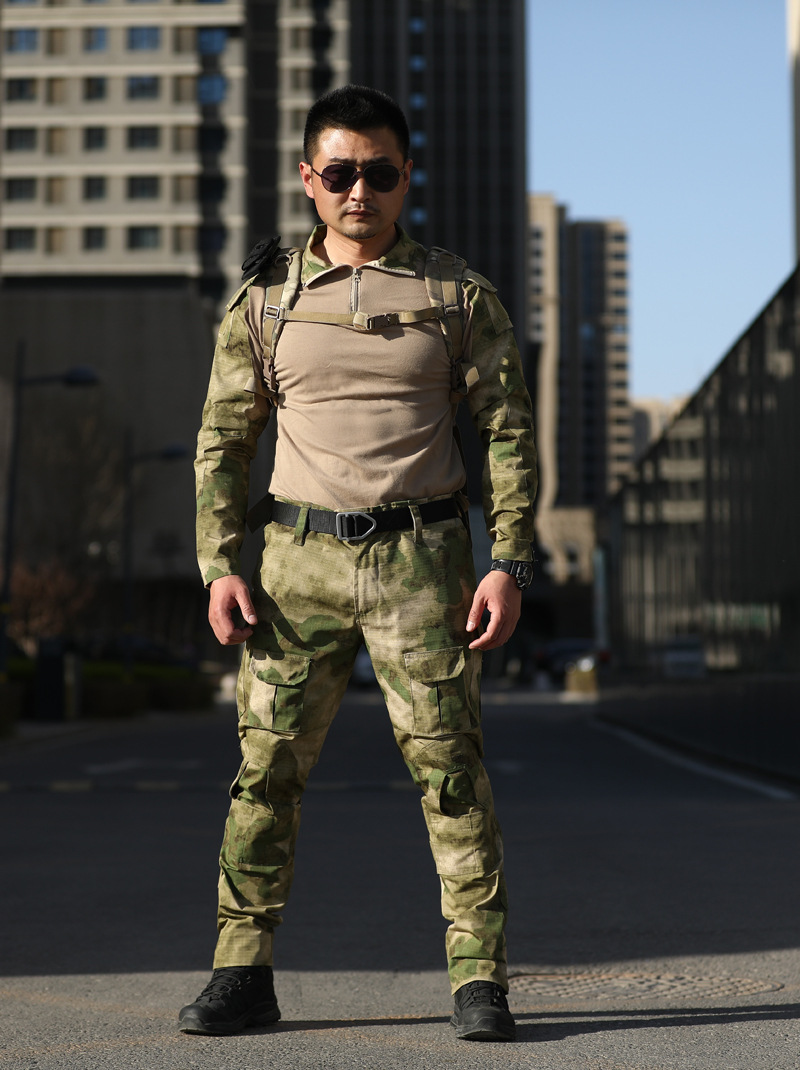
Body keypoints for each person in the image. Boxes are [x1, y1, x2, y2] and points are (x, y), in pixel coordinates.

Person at [180, 84, 537, 1043]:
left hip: (426, 562)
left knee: (450, 772)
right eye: (340, 173)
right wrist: (219, 565)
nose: (360, 191)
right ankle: (241, 974)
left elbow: (507, 431)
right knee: (265, 775)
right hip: (295, 567)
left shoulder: (457, 296)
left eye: (379, 172)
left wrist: (508, 561)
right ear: (309, 179)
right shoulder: (265, 303)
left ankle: (479, 979)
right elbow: (223, 439)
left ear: (406, 177)